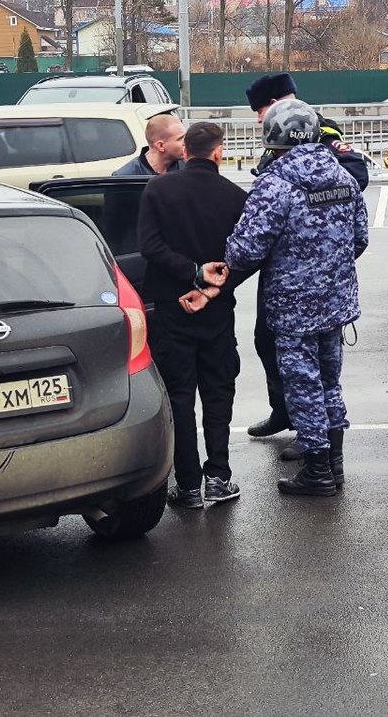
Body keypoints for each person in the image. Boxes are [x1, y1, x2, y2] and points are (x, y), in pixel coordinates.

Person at [214, 99, 369, 496]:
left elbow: (246, 249)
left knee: (302, 385)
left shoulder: (276, 183)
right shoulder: (343, 177)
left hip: (294, 306)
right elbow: (360, 239)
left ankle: (317, 470)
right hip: (336, 302)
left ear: (274, 139)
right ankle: (334, 463)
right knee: (330, 381)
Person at [137, 122, 249, 509]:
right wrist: (214, 286)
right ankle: (218, 477)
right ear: (219, 152)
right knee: (218, 392)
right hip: (217, 312)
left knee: (179, 396)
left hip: (171, 308)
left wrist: (190, 273)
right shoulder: (236, 197)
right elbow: (245, 256)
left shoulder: (157, 189)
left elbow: (149, 246)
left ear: (187, 152)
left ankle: (186, 486)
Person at [112, 114, 186, 176]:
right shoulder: (125, 177)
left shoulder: (188, 169)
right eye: (180, 139)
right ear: (160, 146)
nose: (186, 142)